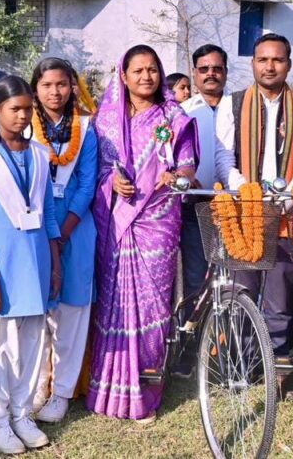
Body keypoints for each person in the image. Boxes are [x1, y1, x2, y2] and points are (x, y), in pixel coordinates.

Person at [88, 44, 198, 422]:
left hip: (158, 221)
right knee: (114, 301)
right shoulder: (105, 120)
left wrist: (175, 176)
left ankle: (146, 390)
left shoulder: (174, 116)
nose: (146, 76)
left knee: (153, 304)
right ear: (123, 75)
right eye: (138, 70)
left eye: (152, 69)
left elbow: (188, 167)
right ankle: (110, 387)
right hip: (116, 221)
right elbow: (96, 169)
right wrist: (111, 181)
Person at [214, 33, 293, 381]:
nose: (270, 66)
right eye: (263, 59)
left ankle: (278, 366)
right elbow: (223, 158)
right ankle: (243, 367)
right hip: (244, 215)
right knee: (242, 293)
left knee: (282, 296)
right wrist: (245, 192)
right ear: (253, 64)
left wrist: (287, 196)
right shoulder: (232, 104)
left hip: (288, 215)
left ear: (288, 65)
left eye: (277, 60)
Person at [0, 76, 61, 454]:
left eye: (27, 109)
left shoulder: (39, 154)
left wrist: (55, 265)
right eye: (14, 109)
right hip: (1, 267)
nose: (22, 116)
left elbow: (49, 214)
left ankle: (22, 415)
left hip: (36, 263)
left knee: (33, 345)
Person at [26, 58, 99, 423]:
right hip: (35, 225)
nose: (55, 92)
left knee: (72, 309)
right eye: (46, 85)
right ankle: (38, 386)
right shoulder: (25, 125)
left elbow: (87, 183)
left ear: (72, 87)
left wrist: (64, 232)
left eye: (61, 84)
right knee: (37, 310)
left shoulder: (86, 128)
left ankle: (63, 392)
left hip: (76, 225)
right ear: (35, 89)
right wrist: (48, 234)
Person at [172, 44, 229, 379]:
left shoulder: (240, 108)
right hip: (198, 206)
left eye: (217, 68)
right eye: (204, 69)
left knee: (235, 280)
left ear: (225, 72)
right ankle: (191, 351)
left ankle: (229, 351)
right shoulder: (183, 113)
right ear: (194, 73)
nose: (211, 74)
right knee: (197, 280)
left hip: (238, 206)